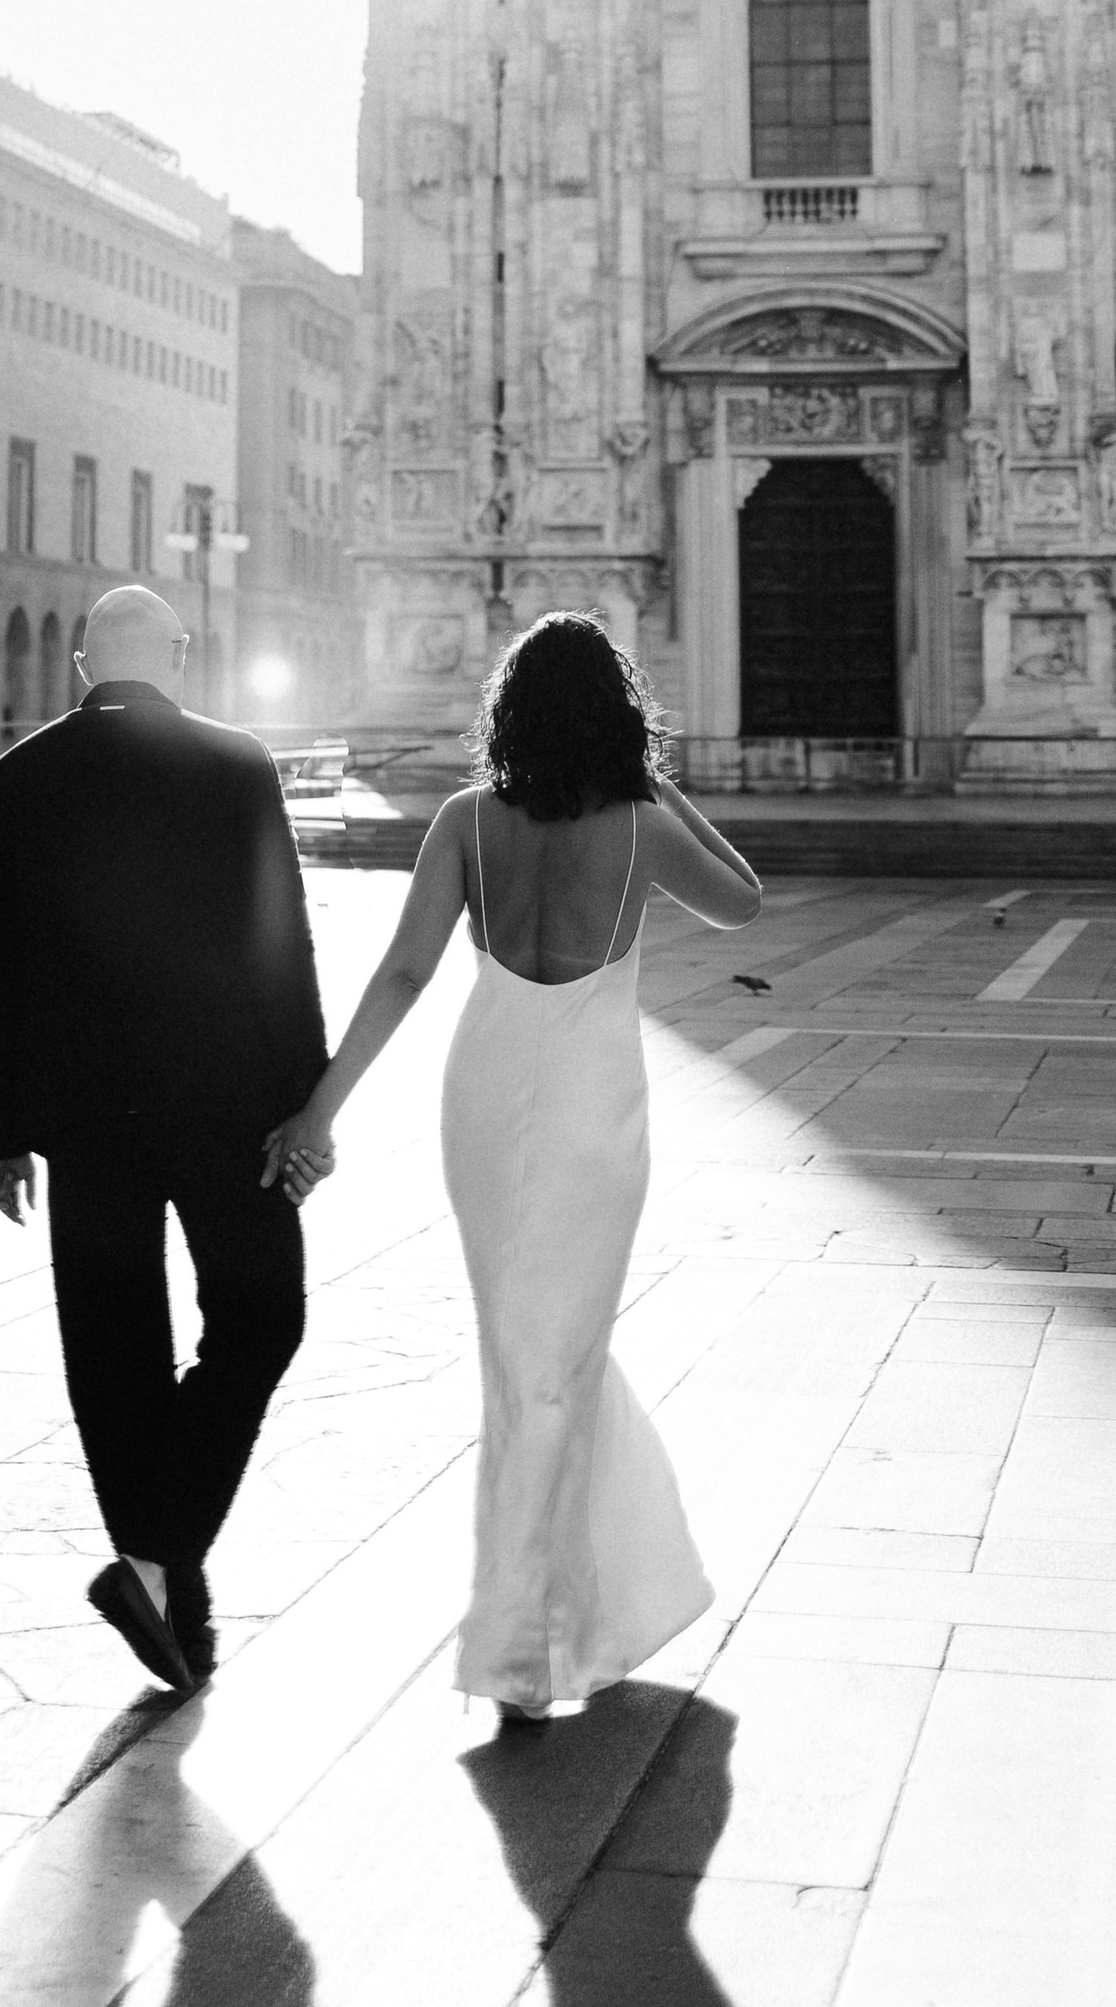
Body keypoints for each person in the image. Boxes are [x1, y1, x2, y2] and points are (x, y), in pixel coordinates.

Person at [262, 611, 762, 1720]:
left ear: (510, 712)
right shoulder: (640, 821)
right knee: (561, 1354)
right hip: (591, 1106)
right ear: (618, 715)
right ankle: (530, 1636)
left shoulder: (464, 820)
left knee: (517, 1356)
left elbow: (401, 972)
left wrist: (318, 1111)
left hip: (484, 1093)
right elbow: (742, 899)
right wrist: (654, 786)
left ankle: (538, 1626)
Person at [0, 581, 327, 1700]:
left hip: (81, 1116)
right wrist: (308, 1106)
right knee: (264, 1312)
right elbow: (284, 943)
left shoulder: (19, 777)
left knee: (112, 1350)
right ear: (179, 653)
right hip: (228, 1104)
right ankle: (168, 1570)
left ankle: (157, 1564)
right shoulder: (237, 764)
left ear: (80, 663)